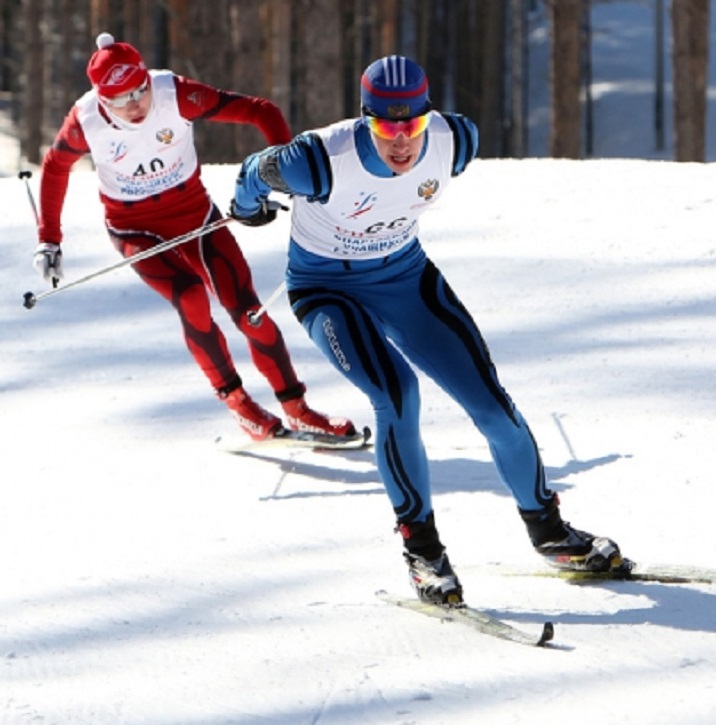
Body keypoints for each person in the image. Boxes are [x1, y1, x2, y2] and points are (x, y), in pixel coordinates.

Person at [230, 55, 628, 604]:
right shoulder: (318, 160)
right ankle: (424, 554)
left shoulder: (456, 140)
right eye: (386, 126)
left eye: (412, 124)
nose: (401, 140)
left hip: (406, 278)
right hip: (326, 290)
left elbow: (433, 147)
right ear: (365, 118)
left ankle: (550, 533)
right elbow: (254, 170)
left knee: (489, 402)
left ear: (428, 115)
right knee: (398, 395)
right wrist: (246, 208)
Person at [33, 32, 354, 441]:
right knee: (190, 296)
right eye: (117, 99)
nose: (133, 105)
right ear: (100, 99)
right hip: (135, 228)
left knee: (248, 311)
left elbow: (262, 111)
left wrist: (287, 170)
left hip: (196, 217)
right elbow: (55, 166)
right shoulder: (86, 119)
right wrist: (49, 239)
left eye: (138, 90)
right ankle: (239, 405)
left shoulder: (174, 93)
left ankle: (297, 408)